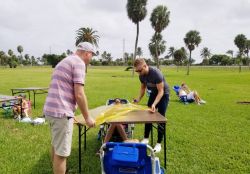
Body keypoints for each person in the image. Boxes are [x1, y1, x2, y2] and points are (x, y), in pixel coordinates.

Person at [43, 42, 96, 174]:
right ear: (87, 53)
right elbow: (79, 93)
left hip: (51, 110)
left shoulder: (65, 61)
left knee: (56, 146)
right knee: (62, 154)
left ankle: (60, 170)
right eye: (92, 56)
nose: (91, 59)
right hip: (62, 112)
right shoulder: (79, 63)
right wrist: (87, 118)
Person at [133, 58, 170, 153]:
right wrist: (138, 99)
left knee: (160, 118)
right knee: (148, 115)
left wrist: (154, 104)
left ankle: (158, 143)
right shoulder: (141, 76)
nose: (139, 73)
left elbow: (161, 91)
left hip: (163, 94)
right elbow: (142, 89)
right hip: (154, 94)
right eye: (137, 71)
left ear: (145, 66)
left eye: (140, 70)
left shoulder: (156, 73)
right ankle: (146, 138)